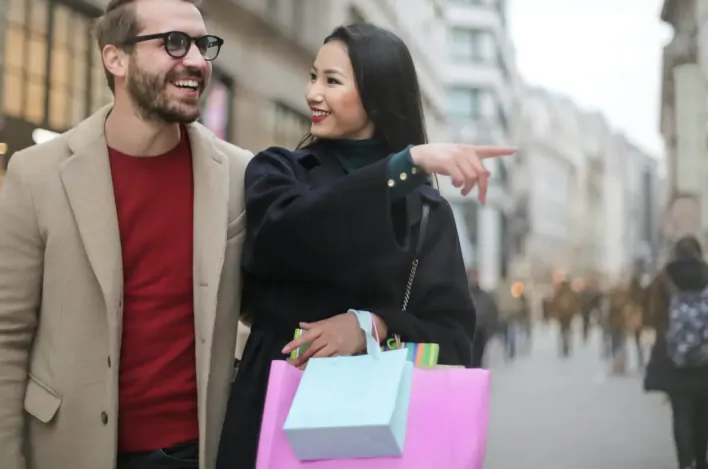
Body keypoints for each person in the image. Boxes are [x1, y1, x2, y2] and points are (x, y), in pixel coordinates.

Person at [0, 0, 251, 469]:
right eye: (173, 43)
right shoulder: (38, 174)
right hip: (70, 448)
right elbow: (1, 336)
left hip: (200, 451)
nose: (195, 60)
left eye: (201, 44)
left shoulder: (237, 174)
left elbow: (273, 302)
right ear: (115, 58)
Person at [215, 23, 515, 468]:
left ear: (377, 96)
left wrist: (370, 327)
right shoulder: (278, 170)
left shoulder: (428, 212)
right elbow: (289, 235)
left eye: (332, 81)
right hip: (272, 418)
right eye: (313, 76)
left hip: (381, 440)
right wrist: (403, 166)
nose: (313, 93)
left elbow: (453, 341)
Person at [643, 235, 708, 469]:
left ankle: (685, 463)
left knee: (680, 411)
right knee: (702, 410)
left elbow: (652, 314)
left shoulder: (663, 279)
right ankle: (702, 461)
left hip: (673, 356)